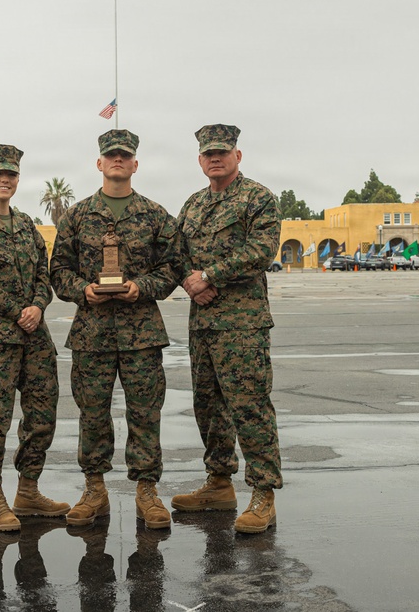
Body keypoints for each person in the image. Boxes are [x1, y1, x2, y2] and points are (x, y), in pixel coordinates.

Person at [50, 129, 180, 530]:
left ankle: (147, 491)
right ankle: (94, 489)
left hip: (142, 333)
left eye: (125, 155)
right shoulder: (76, 215)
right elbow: (58, 270)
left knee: (145, 413)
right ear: (100, 163)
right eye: (111, 156)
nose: (118, 161)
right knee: (92, 414)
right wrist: (83, 290)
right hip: (92, 332)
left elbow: (174, 267)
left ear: (135, 164)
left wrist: (144, 287)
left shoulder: (156, 215)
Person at [171, 123, 283, 534]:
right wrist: (188, 280)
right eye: (207, 153)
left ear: (238, 155)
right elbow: (175, 252)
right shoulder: (194, 204)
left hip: (242, 323)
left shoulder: (258, 198)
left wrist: (210, 276)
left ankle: (263, 493)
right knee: (208, 406)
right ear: (200, 160)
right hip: (202, 322)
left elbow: (261, 251)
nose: (215, 158)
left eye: (223, 151)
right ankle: (218, 483)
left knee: (249, 407)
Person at [0, 143, 69, 532]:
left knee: (42, 416)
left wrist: (37, 306)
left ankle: (29, 491)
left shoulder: (26, 227)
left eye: (12, 175)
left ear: (17, 180)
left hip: (35, 337)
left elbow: (44, 274)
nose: (5, 180)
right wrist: (16, 310)